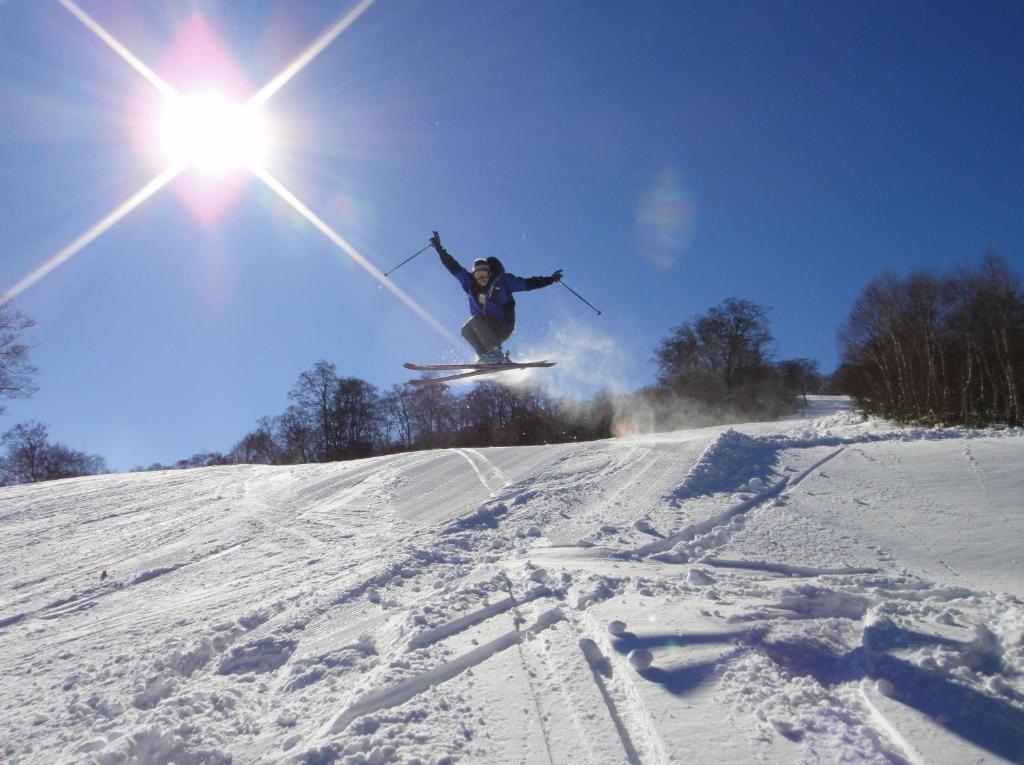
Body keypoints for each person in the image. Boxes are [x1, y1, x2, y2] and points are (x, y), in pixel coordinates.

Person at [430, 230, 562, 363]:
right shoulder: (469, 283)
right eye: (477, 275)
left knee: (476, 322)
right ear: (474, 275)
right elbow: (453, 266)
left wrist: (550, 279)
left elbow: (528, 283)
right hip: (485, 328)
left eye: (484, 274)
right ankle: (486, 357)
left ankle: (495, 354)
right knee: (466, 330)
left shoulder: (503, 281)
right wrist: (439, 249)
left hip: (503, 325)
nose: (481, 278)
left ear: (489, 273)